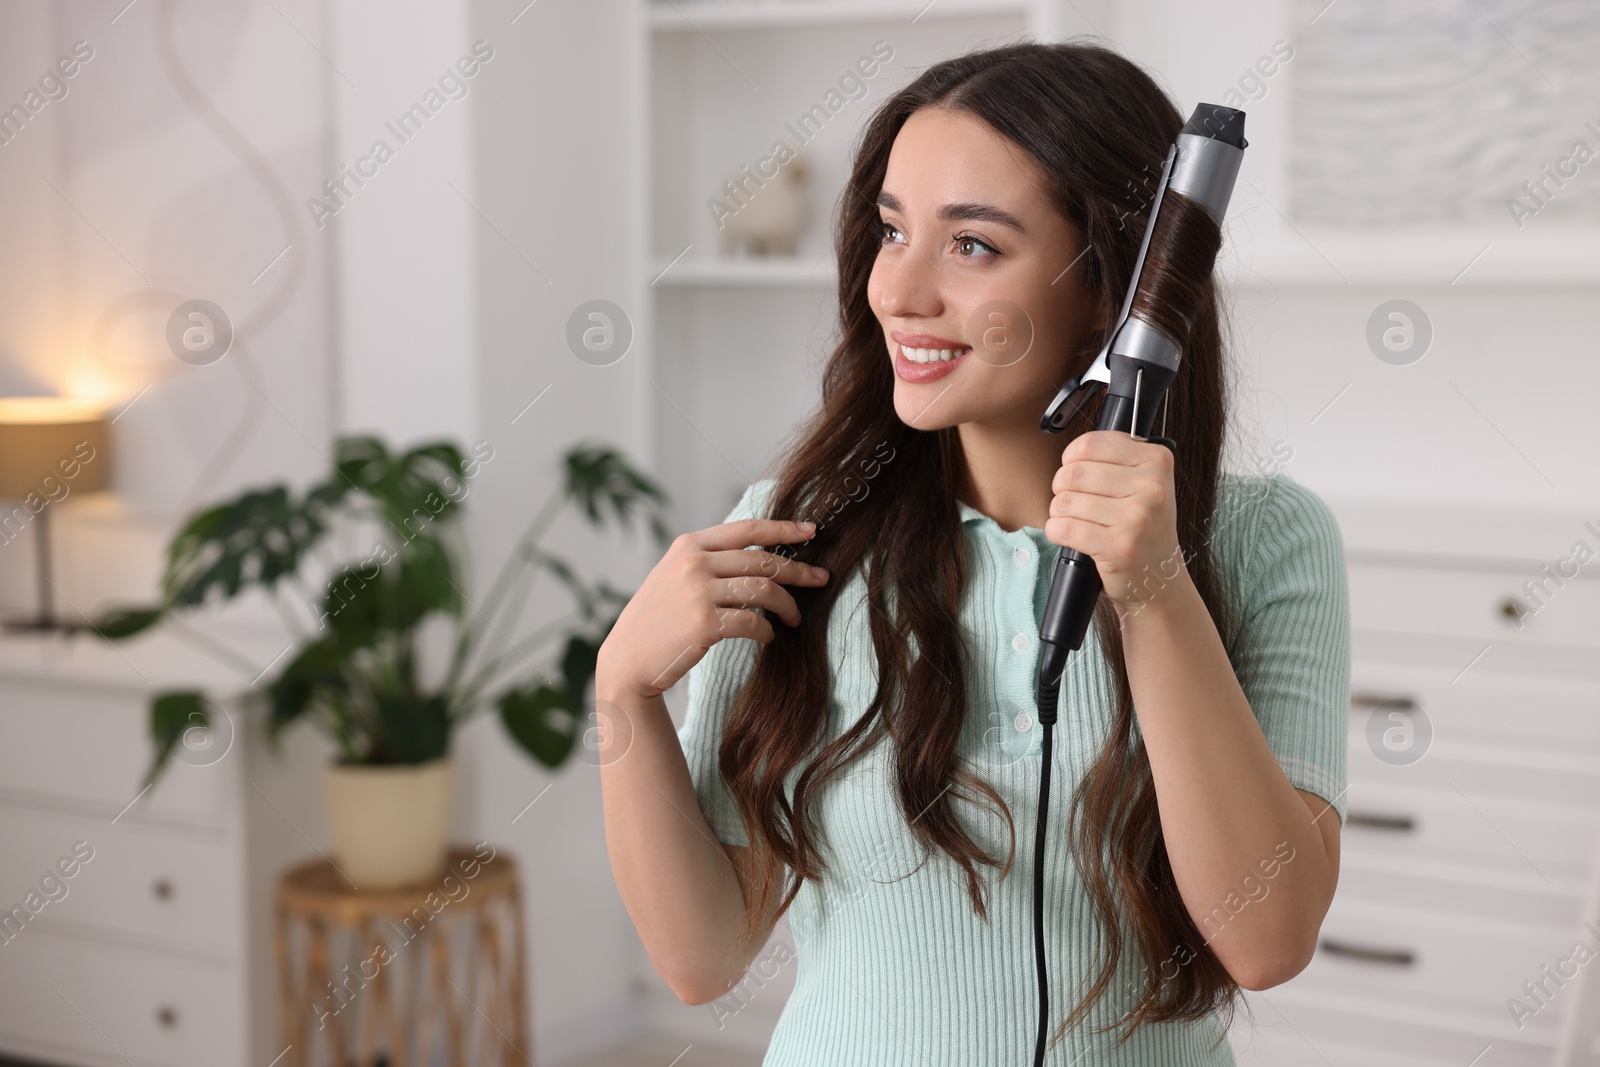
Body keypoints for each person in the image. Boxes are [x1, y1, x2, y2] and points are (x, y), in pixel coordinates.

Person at [596, 40, 1347, 1066]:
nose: (897, 290)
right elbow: (703, 953)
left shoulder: (1261, 540)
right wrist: (621, 692)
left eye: (973, 247)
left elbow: (1266, 940)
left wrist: (1154, 592)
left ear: (1114, 290)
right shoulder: (798, 529)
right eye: (890, 231)